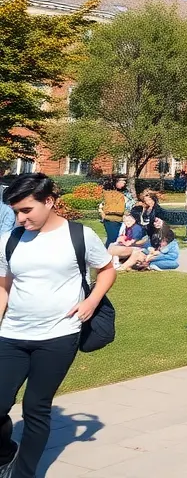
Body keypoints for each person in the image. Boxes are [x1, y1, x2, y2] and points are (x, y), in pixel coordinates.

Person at [0, 174, 116, 478]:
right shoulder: (10, 240)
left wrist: (91, 302)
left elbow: (106, 271)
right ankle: (5, 453)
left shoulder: (79, 235)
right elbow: (3, 287)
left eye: (26, 210)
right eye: (15, 212)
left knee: (35, 407)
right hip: (11, 335)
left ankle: (22, 474)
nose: (20, 218)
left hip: (59, 335)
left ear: (49, 201)